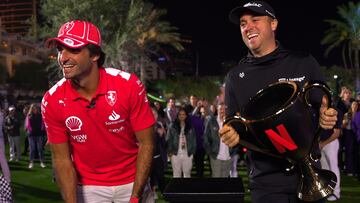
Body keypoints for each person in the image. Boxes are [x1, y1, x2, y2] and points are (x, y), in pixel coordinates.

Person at [219, 1, 338, 202]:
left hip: (311, 176)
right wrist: (230, 135)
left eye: (255, 20)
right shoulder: (235, 77)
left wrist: (329, 118)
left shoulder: (303, 62)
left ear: (273, 24)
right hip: (266, 186)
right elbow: (234, 127)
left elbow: (327, 110)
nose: (248, 27)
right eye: (243, 23)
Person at [41, 20, 155, 203]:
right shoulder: (52, 100)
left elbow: (147, 144)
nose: (63, 57)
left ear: (94, 54)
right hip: (88, 187)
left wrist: (135, 198)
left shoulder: (128, 85)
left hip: (132, 181)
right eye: (60, 49)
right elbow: (62, 160)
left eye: (74, 50)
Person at [319, 105, 343, 201]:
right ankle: (327, 191)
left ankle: (336, 192)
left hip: (331, 142)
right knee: (324, 169)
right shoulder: (317, 109)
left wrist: (323, 144)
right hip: (321, 143)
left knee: (333, 168)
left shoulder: (337, 111)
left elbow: (336, 133)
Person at [166, 108, 196, 178]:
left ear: (186, 116)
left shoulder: (190, 127)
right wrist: (170, 152)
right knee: (176, 175)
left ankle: (186, 189)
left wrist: (192, 152)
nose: (182, 116)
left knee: (187, 174)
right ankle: (177, 189)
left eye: (183, 114)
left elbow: (193, 140)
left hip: (187, 154)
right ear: (177, 115)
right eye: (180, 114)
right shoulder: (172, 126)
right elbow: (168, 139)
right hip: (175, 154)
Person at [26, 103, 46, 169]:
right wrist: (31, 130)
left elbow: (43, 124)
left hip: (39, 134)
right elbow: (28, 125)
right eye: (33, 108)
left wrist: (41, 129)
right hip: (31, 135)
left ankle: (42, 162)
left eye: (36, 108)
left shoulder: (40, 115)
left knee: (40, 149)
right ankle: (31, 162)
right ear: (31, 109)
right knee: (32, 149)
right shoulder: (29, 115)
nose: (35, 109)